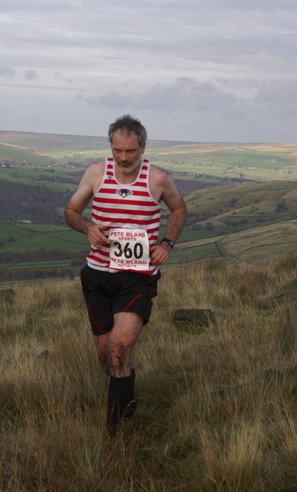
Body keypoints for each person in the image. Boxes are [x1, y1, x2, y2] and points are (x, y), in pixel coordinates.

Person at [64, 114, 187, 436]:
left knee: (119, 350)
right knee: (107, 359)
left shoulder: (158, 179)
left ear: (142, 148)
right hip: (97, 274)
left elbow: (179, 209)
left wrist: (167, 243)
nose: (123, 157)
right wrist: (89, 227)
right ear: (111, 147)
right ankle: (127, 398)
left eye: (130, 151)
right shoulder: (96, 173)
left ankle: (113, 434)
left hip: (137, 276)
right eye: (117, 150)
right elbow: (71, 212)